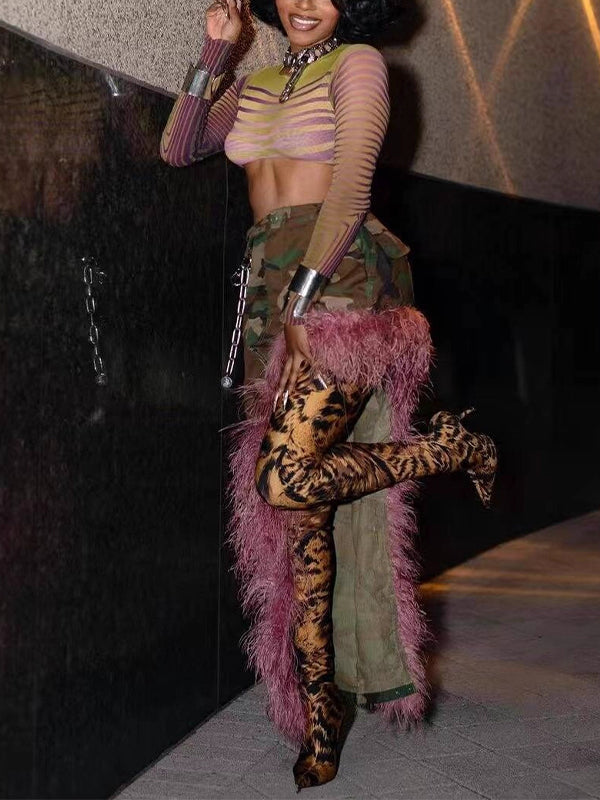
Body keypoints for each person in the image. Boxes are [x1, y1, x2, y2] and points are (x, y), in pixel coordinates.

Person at [161, 0, 497, 790]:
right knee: (303, 521)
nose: (305, 1)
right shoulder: (256, 83)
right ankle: (322, 712)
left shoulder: (360, 65)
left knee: (282, 477)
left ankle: (446, 450)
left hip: (340, 281)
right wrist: (215, 52)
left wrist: (304, 302)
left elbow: (349, 190)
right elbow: (178, 147)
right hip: (269, 287)